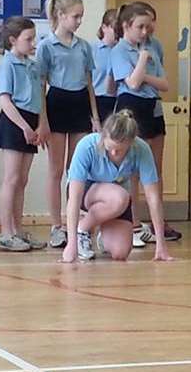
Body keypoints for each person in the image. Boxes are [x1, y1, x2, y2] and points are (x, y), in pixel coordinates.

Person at [60, 110, 171, 263]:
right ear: (104, 137)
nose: (113, 152)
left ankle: (104, 236)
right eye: (109, 147)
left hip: (117, 194)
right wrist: (71, 245)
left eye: (119, 150)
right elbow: (74, 197)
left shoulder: (141, 149)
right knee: (119, 198)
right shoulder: (87, 146)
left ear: (131, 143)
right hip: (87, 191)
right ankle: (82, 229)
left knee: (120, 253)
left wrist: (161, 244)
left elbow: (153, 198)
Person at [37, 0, 99, 248]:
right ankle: (56, 225)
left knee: (77, 170)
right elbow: (40, 85)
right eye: (75, 16)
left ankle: (75, 222)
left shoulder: (84, 46)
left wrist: (95, 116)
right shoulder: (46, 46)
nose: (79, 21)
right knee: (55, 170)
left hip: (79, 103)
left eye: (81, 16)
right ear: (61, 16)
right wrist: (42, 121)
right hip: (57, 103)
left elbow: (89, 83)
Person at [112, 2, 168, 248]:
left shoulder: (155, 45)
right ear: (126, 26)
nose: (146, 32)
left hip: (153, 104)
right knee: (133, 169)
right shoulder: (120, 50)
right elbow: (132, 83)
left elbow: (164, 84)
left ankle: (157, 224)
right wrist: (143, 61)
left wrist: (145, 74)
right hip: (131, 104)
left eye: (149, 26)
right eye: (140, 27)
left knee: (155, 167)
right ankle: (132, 224)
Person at [0, 17, 49, 252]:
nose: (33, 42)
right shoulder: (8, 64)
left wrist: (42, 124)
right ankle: (5, 233)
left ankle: (17, 229)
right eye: (29, 38)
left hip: (33, 121)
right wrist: (24, 126)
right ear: (13, 40)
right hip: (15, 122)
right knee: (12, 178)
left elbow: (40, 97)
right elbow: (5, 100)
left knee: (22, 181)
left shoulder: (33, 66)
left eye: (34, 37)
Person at [93, 8, 119, 119]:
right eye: (116, 29)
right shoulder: (91, 49)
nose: (119, 34)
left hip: (119, 101)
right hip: (97, 100)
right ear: (104, 28)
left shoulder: (124, 51)